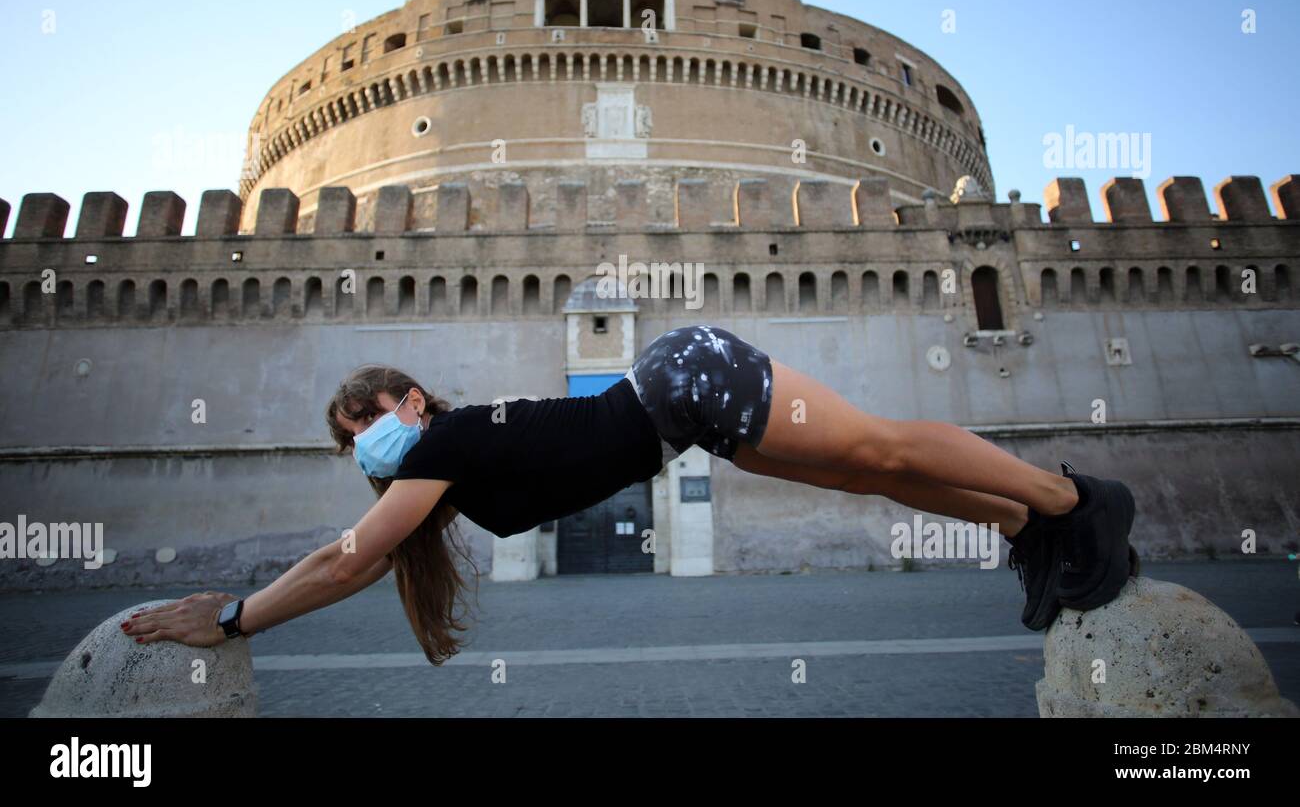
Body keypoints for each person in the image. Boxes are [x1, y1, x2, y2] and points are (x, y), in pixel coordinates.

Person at [119, 323, 1136, 660]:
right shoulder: (444, 476)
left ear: (411, 406)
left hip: (683, 378)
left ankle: (1070, 495)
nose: (366, 446)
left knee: (870, 443)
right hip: (685, 412)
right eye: (353, 443)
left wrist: (233, 615)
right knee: (865, 476)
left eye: (370, 423)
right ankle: (1022, 524)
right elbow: (370, 551)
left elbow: (348, 555)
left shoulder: (445, 445)